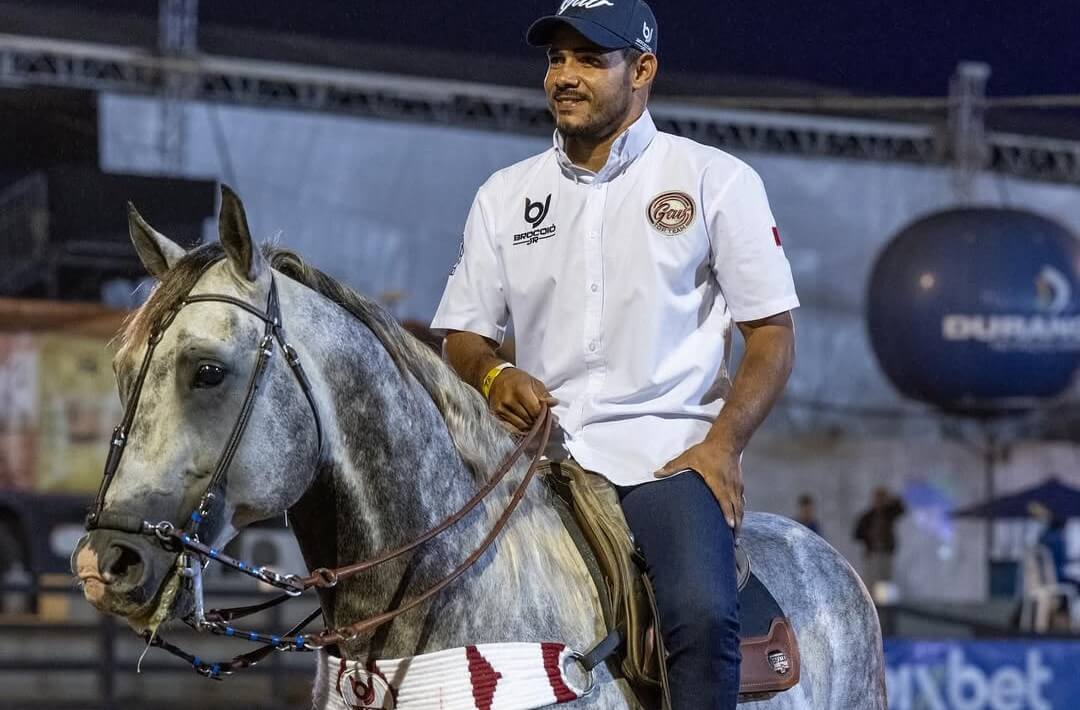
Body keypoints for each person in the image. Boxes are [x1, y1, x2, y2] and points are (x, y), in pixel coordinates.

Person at [431, 2, 798, 707]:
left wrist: (722, 448)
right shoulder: (504, 196)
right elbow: (463, 335)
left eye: (590, 60)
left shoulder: (713, 180)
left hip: (666, 459)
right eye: (556, 59)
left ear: (643, 70)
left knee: (702, 615)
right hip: (536, 463)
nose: (565, 76)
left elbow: (773, 337)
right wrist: (493, 372)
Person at [853, 487, 906, 593]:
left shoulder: (889, 514)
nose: (880, 501)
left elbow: (901, 509)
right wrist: (868, 536)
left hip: (886, 552)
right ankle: (873, 604)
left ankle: (885, 605)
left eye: (882, 498)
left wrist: (892, 500)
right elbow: (857, 534)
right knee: (871, 580)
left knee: (885, 581)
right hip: (872, 553)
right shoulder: (868, 516)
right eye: (878, 498)